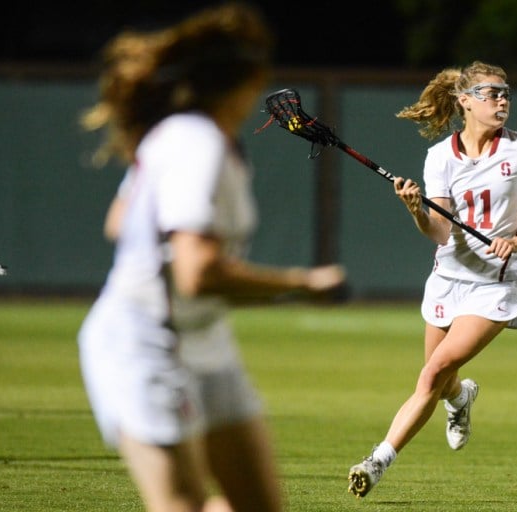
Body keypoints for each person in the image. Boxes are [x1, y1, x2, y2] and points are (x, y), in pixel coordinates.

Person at [77, 3, 346, 512]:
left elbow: (119, 221)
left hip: (205, 340)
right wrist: (303, 283)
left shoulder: (190, 138)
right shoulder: (195, 143)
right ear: (249, 81)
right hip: (145, 347)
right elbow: (197, 273)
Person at [347, 61, 517, 498]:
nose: (502, 100)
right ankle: (461, 399)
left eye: (506, 93)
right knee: (441, 379)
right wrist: (415, 209)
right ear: (465, 101)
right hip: (448, 278)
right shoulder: (440, 157)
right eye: (491, 93)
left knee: (431, 374)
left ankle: (376, 462)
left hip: (497, 286)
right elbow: (441, 231)